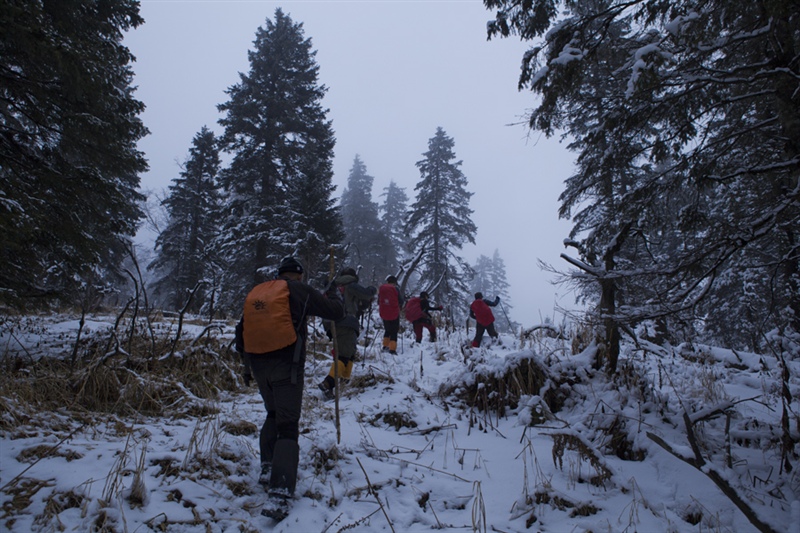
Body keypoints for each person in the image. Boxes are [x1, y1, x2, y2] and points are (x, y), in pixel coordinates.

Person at [234, 256, 344, 521]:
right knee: (288, 424)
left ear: (278, 273)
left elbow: (241, 332)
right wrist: (334, 295)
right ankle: (281, 491)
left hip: (258, 365)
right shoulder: (298, 290)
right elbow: (335, 312)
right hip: (287, 365)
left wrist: (248, 365)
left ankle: (268, 466)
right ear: (299, 275)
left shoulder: (260, 292)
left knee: (272, 413)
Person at [318, 267, 376, 399]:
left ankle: (343, 383)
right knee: (344, 355)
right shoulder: (350, 285)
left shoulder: (332, 286)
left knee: (349, 353)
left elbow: (356, 305)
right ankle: (328, 383)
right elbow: (367, 294)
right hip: (347, 322)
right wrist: (373, 289)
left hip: (331, 323)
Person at [378, 275, 403, 355]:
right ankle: (392, 349)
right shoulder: (396, 289)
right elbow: (401, 301)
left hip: (384, 313)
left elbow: (379, 301)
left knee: (387, 329)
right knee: (394, 330)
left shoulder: (382, 289)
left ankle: (385, 346)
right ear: (395, 282)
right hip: (394, 313)